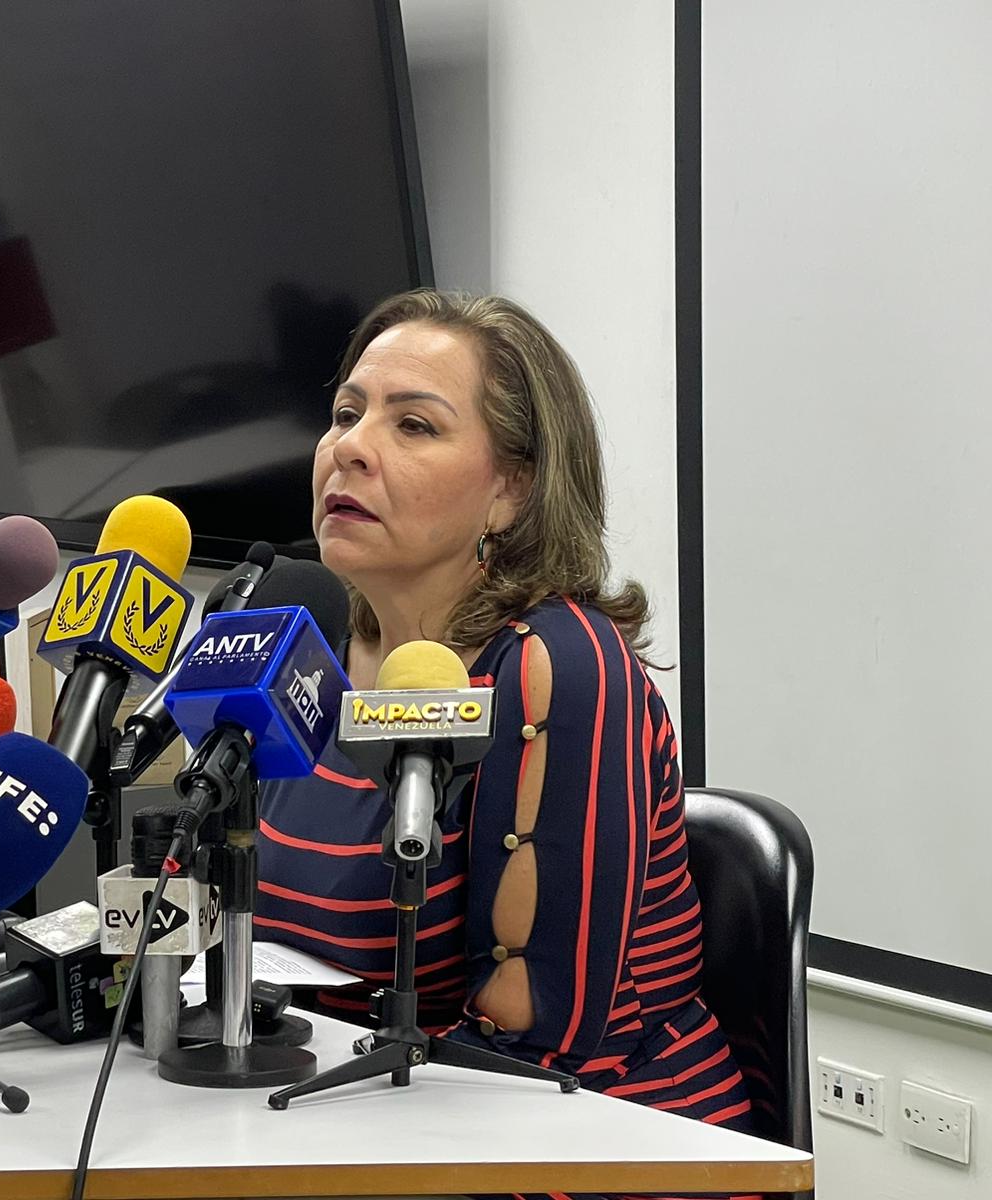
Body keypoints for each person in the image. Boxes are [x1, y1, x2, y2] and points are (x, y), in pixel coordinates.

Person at [256, 289, 757, 1200]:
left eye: (414, 425)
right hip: (338, 1114)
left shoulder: (558, 668)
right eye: (346, 413)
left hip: (585, 1142)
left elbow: (532, 1040)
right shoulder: (310, 653)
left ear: (512, 488)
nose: (351, 448)